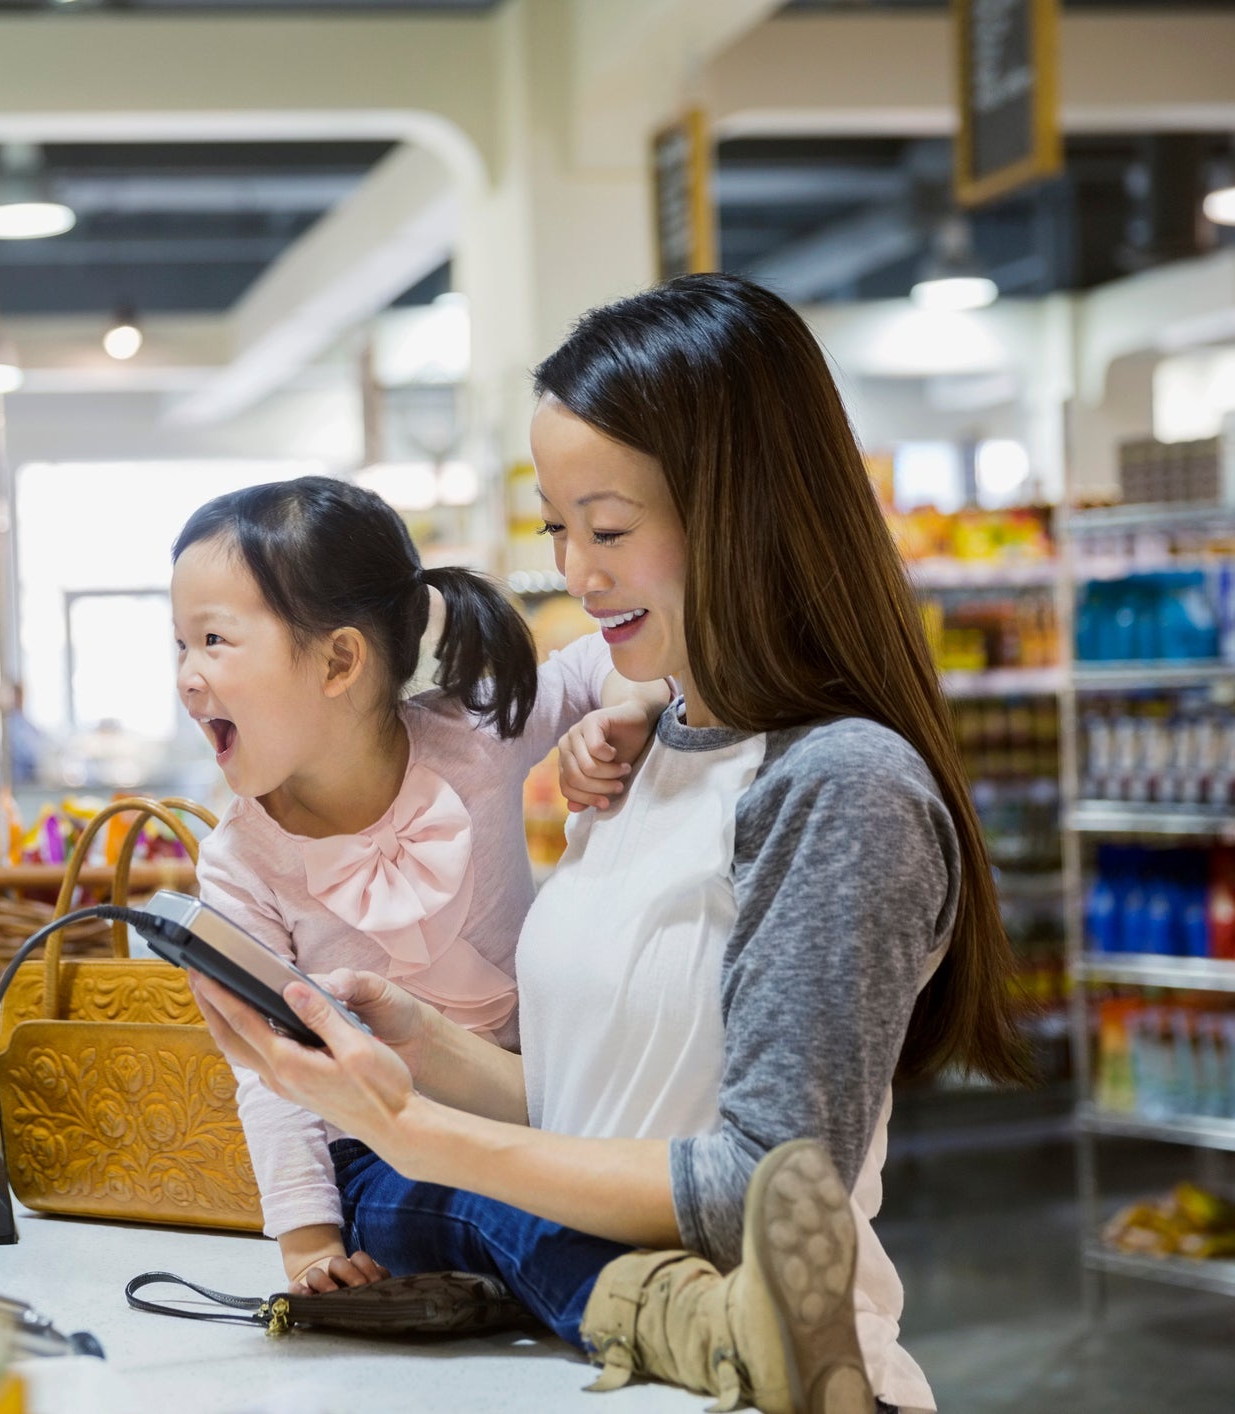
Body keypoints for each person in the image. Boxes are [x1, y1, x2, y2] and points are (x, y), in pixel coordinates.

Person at [190, 274, 1028, 1414]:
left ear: (741, 510)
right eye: (558, 528)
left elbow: (766, 1187)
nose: (577, 574)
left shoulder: (842, 786)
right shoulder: (641, 749)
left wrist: (418, 1134)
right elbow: (600, 1113)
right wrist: (420, 1044)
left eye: (609, 528)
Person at [169, 476, 671, 1293]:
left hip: (537, 1101)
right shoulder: (240, 863)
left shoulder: (470, 735)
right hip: (377, 1153)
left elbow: (600, 662)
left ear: (338, 660)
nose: (188, 677)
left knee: (598, 1183)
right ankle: (653, 1308)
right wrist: (307, 1242)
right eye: (179, 646)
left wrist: (629, 708)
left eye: (214, 641)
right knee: (477, 1210)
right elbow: (271, 1073)